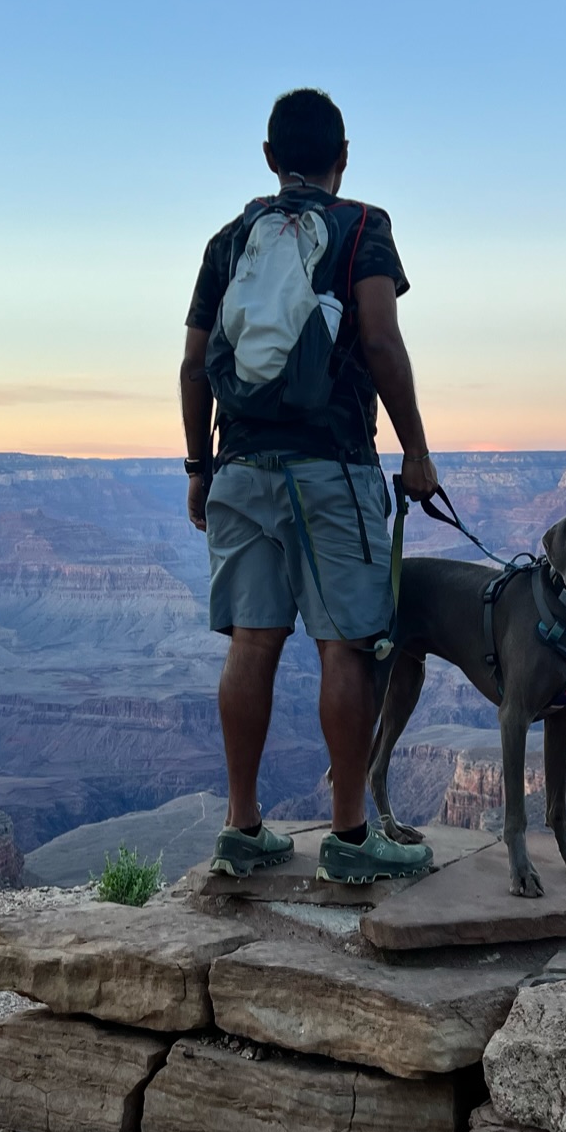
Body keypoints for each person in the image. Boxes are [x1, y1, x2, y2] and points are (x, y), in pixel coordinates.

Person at [180, 88, 440, 883]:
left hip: (242, 467)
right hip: (331, 466)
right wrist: (417, 452)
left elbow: (194, 364)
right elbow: (379, 337)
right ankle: (352, 839)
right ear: (344, 155)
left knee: (252, 642)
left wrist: (200, 468)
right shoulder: (363, 225)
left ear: (267, 157)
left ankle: (242, 827)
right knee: (344, 644)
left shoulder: (230, 241)